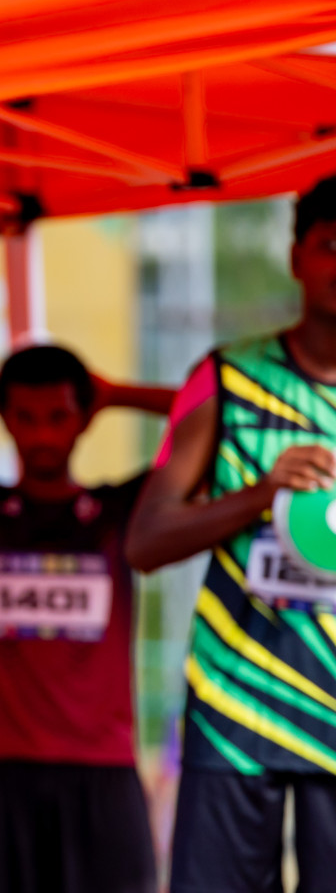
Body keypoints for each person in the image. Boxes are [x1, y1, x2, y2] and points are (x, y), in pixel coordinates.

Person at [127, 176, 336, 893]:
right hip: (237, 704)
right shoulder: (225, 378)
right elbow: (145, 543)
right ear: (297, 255)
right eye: (330, 244)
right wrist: (262, 492)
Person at [0, 346, 173, 893]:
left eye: (58, 416)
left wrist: (115, 393)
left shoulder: (123, 512)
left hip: (103, 769)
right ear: (6, 419)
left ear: (84, 418)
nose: (42, 434)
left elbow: (211, 418)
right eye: (24, 417)